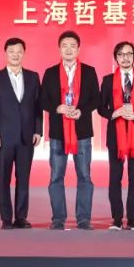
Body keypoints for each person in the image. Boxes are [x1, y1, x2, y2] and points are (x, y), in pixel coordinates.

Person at [39, 30, 100, 230]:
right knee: (56, 176)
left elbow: (96, 99)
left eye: (72, 46)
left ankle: (84, 219)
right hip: (58, 132)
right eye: (65, 46)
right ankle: (58, 218)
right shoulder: (50, 73)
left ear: (78, 49)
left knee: (84, 176)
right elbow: (42, 100)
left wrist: (81, 110)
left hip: (82, 132)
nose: (68, 49)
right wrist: (57, 108)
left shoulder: (89, 71)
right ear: (59, 49)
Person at [0, 37, 42, 229]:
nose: (15, 55)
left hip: (27, 137)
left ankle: (21, 217)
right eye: (11, 51)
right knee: (3, 178)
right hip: (3, 138)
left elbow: (38, 107)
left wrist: (38, 130)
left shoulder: (33, 77)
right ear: (5, 53)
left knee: (23, 178)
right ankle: (6, 218)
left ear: (23, 53)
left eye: (19, 51)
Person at [98, 41, 134, 231]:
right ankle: (116, 219)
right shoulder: (108, 80)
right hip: (115, 134)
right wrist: (114, 113)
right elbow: (100, 107)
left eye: (129, 54)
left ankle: (132, 219)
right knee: (115, 177)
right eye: (121, 54)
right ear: (116, 58)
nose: (125, 58)